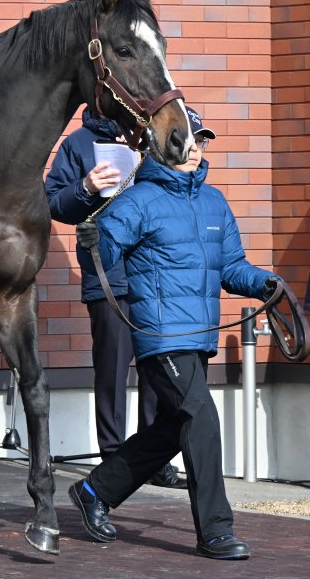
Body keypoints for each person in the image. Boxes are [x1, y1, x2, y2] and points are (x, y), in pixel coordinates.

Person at [67, 107, 282, 560]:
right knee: (201, 417)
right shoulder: (137, 200)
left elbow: (231, 268)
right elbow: (100, 255)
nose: (195, 147)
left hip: (198, 336)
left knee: (171, 428)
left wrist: (266, 283)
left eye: (200, 140)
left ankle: (95, 491)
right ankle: (216, 531)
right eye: (186, 139)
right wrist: (91, 242)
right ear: (160, 145)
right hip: (161, 335)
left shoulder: (214, 202)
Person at [45, 107, 187, 489]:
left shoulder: (153, 136)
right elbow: (52, 201)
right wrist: (86, 187)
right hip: (109, 276)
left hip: (155, 275)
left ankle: (153, 459)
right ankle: (113, 461)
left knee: (158, 371)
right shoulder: (78, 144)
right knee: (112, 372)